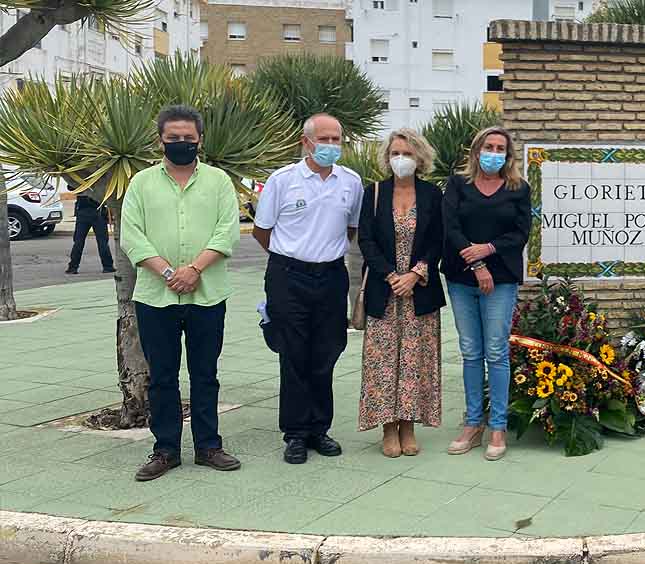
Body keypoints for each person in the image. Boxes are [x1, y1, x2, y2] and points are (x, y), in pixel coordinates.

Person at [120, 105, 242, 481]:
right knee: (162, 377)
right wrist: (171, 273)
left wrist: (195, 270)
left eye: (188, 139)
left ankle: (209, 446)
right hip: (156, 297)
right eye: (173, 139)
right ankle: (166, 449)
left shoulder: (219, 182)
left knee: (205, 374)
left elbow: (228, 232)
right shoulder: (141, 183)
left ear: (200, 140)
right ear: (160, 141)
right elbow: (132, 236)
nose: (181, 144)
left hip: (207, 294)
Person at [253, 113, 364, 465]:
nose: (332, 146)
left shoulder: (351, 182)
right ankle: (296, 433)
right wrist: (295, 258)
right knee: (293, 353)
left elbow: (351, 228)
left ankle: (320, 428)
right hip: (288, 275)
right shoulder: (282, 180)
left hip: (331, 276)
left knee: (327, 351)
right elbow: (262, 231)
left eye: (337, 139)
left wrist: (322, 256)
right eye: (325, 139)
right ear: (306, 142)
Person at [442, 126, 531, 461]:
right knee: (469, 351)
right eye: (488, 146)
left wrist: (489, 249)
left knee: (496, 352)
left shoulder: (518, 189)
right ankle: (472, 422)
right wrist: (477, 263)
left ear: (507, 156)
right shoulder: (456, 185)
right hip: (462, 278)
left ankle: (497, 425)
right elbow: (450, 227)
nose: (493, 153)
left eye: (500, 149)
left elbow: (520, 233)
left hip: (502, 279)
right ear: (476, 150)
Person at [357, 129, 445, 457]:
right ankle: (387, 427)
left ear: (419, 158)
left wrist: (416, 273)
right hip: (385, 289)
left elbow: (439, 238)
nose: (401, 160)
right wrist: (393, 276)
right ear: (387, 157)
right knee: (382, 362)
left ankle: (408, 425)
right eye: (395, 153)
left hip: (419, 292)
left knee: (415, 361)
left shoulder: (432, 195)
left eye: (407, 154)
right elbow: (365, 239)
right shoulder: (375, 192)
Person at [66, 190, 114, 275]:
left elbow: (71, 187)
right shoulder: (99, 178)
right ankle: (108, 266)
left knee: (78, 241)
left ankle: (73, 267)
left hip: (83, 211)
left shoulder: (79, 178)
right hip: (97, 211)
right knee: (102, 241)